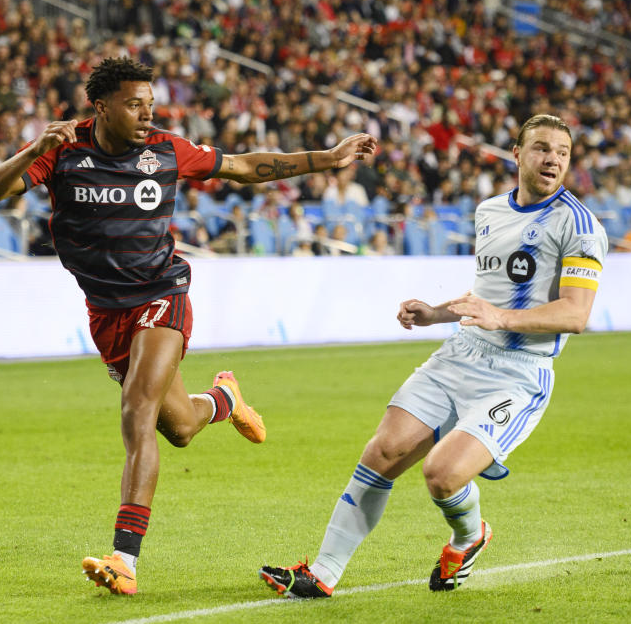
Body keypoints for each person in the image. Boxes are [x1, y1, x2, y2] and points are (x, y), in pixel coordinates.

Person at [0, 57, 378, 596]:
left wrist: (326, 159)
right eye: (134, 105)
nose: (146, 115)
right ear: (101, 107)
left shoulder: (166, 149)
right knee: (180, 428)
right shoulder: (63, 152)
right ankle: (225, 400)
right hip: (106, 311)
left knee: (137, 408)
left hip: (162, 294)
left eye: (150, 105)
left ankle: (124, 558)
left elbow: (243, 165)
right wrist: (33, 150)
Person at [259, 114, 608, 597]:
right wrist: (435, 314)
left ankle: (470, 536)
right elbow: (484, 296)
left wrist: (501, 318)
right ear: (517, 153)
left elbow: (575, 313)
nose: (552, 158)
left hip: (517, 374)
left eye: (562, 152)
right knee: (382, 452)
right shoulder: (490, 211)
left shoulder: (581, 226)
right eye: (542, 147)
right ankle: (322, 572)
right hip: (461, 353)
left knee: (441, 475)